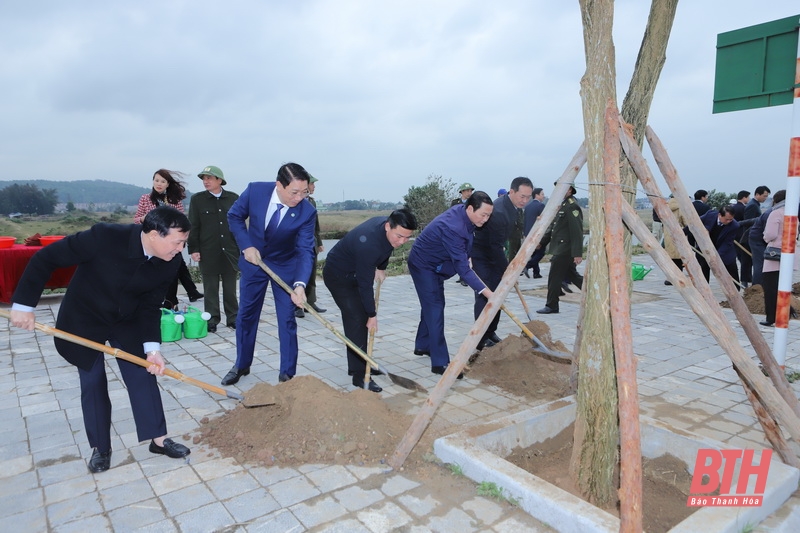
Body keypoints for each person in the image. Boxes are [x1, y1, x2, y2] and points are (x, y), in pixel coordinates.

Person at [10, 206, 192, 473]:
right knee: (93, 381)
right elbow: (45, 258)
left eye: (184, 243)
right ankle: (101, 448)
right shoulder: (103, 237)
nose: (181, 249)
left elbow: (151, 305)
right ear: (154, 234)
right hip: (85, 318)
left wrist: (152, 349)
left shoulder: (171, 260)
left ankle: (158, 439)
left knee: (143, 374)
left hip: (127, 320)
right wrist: (24, 305)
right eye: (178, 242)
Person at [222, 163, 317, 386]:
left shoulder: (307, 212)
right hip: (253, 262)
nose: (299, 198)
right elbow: (234, 216)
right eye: (294, 192)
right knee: (246, 315)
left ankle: (287, 374)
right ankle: (242, 364)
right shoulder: (255, 191)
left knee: (286, 319)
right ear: (279, 186)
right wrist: (246, 246)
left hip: (285, 266)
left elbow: (305, 250)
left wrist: (300, 284)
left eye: (304, 192)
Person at [323, 209, 418, 392]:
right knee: (358, 319)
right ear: (388, 226)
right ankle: (360, 375)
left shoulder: (388, 230)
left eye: (407, 238)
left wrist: (381, 267)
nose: (402, 242)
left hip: (356, 272)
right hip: (338, 276)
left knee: (357, 319)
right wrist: (372, 315)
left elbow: (388, 248)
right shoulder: (369, 244)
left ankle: (362, 363)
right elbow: (365, 285)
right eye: (399, 236)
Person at [408, 191, 495, 377]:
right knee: (435, 308)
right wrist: (489, 294)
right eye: (483, 215)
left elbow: (465, 245)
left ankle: (422, 345)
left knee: (433, 305)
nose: (486, 219)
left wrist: (466, 255)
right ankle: (440, 363)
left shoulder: (464, 214)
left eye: (489, 215)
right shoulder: (453, 226)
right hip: (424, 265)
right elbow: (464, 270)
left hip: (438, 264)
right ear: (470, 208)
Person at [472, 177, 532, 348]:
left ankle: (490, 332)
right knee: (485, 295)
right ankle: (480, 338)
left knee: (498, 294)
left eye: (528, 197)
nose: (525, 201)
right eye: (522, 196)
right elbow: (495, 246)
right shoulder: (499, 211)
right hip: (482, 256)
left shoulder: (513, 207)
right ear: (511, 192)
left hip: (494, 253)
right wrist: (508, 270)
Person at [134, 169, 203, 308]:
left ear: (168, 184)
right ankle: (188, 292)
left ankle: (171, 302)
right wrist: (144, 218)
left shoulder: (174, 200)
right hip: (153, 243)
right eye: (156, 180)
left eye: (163, 181)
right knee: (159, 272)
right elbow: (136, 220)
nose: (159, 184)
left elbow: (182, 220)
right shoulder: (145, 198)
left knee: (173, 271)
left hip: (170, 242)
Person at [188, 165, 240, 333]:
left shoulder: (233, 198)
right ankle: (211, 319)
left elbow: (239, 224)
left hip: (230, 251)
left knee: (230, 289)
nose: (205, 181)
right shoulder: (197, 200)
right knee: (210, 289)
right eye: (203, 178)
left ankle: (233, 318)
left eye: (209, 178)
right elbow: (194, 226)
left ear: (219, 180)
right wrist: (193, 249)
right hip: (208, 251)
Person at [536, 185, 583, 314]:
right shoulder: (563, 205)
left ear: (569, 190)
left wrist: (577, 253)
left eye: (562, 188)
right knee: (573, 276)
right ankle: (596, 294)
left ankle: (552, 305)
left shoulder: (572, 206)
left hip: (565, 249)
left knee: (554, 277)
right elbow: (554, 228)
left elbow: (577, 231)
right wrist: (542, 242)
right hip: (561, 247)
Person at [296, 174, 326, 318]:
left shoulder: (312, 202)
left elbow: (316, 224)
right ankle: (297, 306)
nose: (314, 187)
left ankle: (311, 302)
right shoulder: (296, 200)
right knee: (298, 275)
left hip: (311, 243)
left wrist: (319, 242)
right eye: (313, 184)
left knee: (311, 273)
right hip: (297, 245)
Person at [760, 190, 790, 327]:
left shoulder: (776, 213)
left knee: (770, 286)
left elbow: (770, 234)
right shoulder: (792, 213)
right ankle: (785, 314)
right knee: (783, 285)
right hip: (789, 253)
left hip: (774, 254)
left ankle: (771, 316)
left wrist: (765, 237)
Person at [694, 205, 740, 286]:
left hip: (723, 250)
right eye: (727, 219)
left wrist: (716, 256)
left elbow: (727, 243)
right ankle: (703, 289)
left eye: (731, 219)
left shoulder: (734, 225)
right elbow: (695, 223)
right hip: (705, 247)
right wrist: (683, 232)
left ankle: (736, 290)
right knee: (703, 267)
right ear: (719, 215)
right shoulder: (710, 215)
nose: (729, 221)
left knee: (731, 268)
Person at [451, 183, 475, 287]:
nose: (469, 193)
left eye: (470, 191)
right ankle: (460, 275)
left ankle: (464, 277)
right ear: (462, 192)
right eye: (467, 191)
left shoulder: (474, 202)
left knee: (466, 254)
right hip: (457, 231)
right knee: (458, 253)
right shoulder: (455, 202)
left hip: (468, 231)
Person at [663, 195, 687, 286]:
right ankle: (679, 276)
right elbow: (685, 222)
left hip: (668, 234)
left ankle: (670, 277)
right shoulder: (680, 207)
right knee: (680, 256)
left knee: (671, 257)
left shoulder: (666, 206)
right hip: (679, 233)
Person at [523, 187, 546, 278]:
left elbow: (525, 221)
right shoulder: (541, 206)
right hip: (537, 234)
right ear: (536, 195)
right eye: (542, 194)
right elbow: (542, 222)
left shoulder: (528, 206)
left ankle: (536, 273)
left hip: (528, 233)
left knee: (533, 254)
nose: (544, 196)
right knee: (540, 253)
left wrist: (524, 234)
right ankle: (527, 266)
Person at [732, 190, 751, 287]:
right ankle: (746, 279)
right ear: (744, 197)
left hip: (734, 235)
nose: (748, 199)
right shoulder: (744, 208)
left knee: (740, 257)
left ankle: (745, 279)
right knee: (744, 259)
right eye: (748, 197)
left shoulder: (733, 207)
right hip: (742, 235)